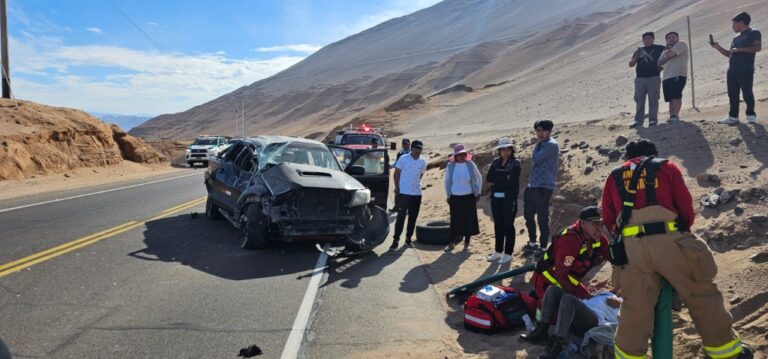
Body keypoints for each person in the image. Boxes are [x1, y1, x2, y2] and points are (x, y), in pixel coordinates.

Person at [601, 139, 753, 359]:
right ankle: (726, 352)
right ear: (653, 154)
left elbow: (608, 217)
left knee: (635, 308)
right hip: (667, 238)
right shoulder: (666, 167)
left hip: (632, 248)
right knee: (700, 293)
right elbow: (685, 208)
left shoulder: (615, 175)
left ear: (627, 157)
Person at [531, 206, 610, 308]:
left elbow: (613, 257)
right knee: (557, 315)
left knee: (590, 304)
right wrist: (574, 299)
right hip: (547, 282)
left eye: (601, 224)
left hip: (570, 281)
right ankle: (537, 307)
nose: (600, 229)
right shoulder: (569, 241)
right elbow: (560, 275)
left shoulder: (598, 238)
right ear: (582, 223)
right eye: (595, 224)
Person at [521, 286, 621, 359]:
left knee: (568, 299)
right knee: (552, 289)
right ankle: (541, 331)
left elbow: (626, 321)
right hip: (577, 311)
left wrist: (620, 304)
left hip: (593, 321)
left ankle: (557, 345)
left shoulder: (626, 305)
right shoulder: (606, 292)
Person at [713, 12, 762, 125]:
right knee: (732, 94)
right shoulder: (735, 38)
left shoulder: (753, 32)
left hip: (745, 69)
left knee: (747, 92)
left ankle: (751, 115)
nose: (732, 26)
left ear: (741, 22)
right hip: (732, 70)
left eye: (734, 23)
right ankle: (733, 116)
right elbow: (730, 54)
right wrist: (718, 47)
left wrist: (740, 49)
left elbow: (757, 47)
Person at [523, 120, 559, 252]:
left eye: (543, 130)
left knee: (542, 218)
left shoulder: (551, 145)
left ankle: (543, 247)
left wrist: (537, 144)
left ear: (549, 131)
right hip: (533, 185)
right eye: (538, 130)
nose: (540, 133)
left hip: (544, 186)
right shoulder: (541, 144)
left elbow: (536, 159)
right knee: (528, 215)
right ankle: (532, 243)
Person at [486, 137, 521, 264]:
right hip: (496, 198)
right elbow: (489, 177)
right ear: (499, 151)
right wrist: (504, 175)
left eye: (508, 149)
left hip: (509, 198)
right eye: (503, 150)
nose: (505, 152)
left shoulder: (516, 163)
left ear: (512, 150)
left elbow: (512, 180)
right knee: (498, 224)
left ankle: (508, 253)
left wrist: (499, 176)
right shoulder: (495, 162)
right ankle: (498, 251)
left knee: (508, 225)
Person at [443, 144, 482, 251]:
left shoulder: (470, 164)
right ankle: (452, 243)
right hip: (455, 197)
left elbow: (479, 177)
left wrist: (478, 191)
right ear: (455, 155)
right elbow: (446, 181)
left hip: (469, 197)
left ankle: (467, 242)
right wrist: (448, 195)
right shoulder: (450, 166)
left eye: (463, 154)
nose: (461, 156)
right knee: (454, 220)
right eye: (459, 154)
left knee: (468, 219)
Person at [390, 140, 427, 251]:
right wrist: (397, 188)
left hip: (416, 193)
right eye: (416, 148)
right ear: (411, 148)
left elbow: (420, 175)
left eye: (420, 148)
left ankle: (408, 239)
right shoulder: (403, 158)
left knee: (413, 217)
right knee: (401, 217)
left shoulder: (423, 162)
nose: (418, 150)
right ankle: (395, 240)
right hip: (404, 193)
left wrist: (414, 184)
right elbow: (396, 174)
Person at [629, 32, 666, 128]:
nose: (647, 40)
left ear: (653, 39)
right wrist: (637, 55)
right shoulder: (639, 51)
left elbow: (668, 57)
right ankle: (638, 121)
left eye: (649, 38)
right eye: (645, 38)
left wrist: (663, 67)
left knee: (653, 99)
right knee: (639, 100)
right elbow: (631, 64)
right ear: (643, 40)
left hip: (653, 77)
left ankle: (653, 120)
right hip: (640, 79)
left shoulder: (660, 48)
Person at [657, 32, 689, 124]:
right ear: (666, 40)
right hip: (667, 76)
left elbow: (670, 55)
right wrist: (668, 53)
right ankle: (672, 116)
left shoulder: (681, 44)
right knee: (670, 98)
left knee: (676, 95)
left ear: (677, 38)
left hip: (678, 74)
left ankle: (676, 115)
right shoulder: (665, 50)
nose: (671, 39)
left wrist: (668, 53)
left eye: (673, 37)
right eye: (669, 38)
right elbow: (659, 63)